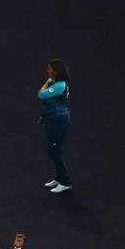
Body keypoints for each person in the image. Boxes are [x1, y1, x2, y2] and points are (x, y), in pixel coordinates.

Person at [39, 58, 71, 191]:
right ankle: (59, 177)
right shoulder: (58, 84)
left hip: (58, 120)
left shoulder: (59, 85)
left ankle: (65, 182)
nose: (47, 70)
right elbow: (51, 103)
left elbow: (41, 94)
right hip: (53, 118)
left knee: (55, 150)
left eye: (49, 68)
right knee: (52, 150)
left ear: (55, 71)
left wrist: (47, 82)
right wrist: (44, 117)